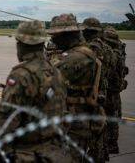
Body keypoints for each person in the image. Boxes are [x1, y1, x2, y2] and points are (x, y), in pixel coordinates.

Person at [0, 20, 71, 163]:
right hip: (53, 153)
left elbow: (5, 123)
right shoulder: (55, 71)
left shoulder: (21, 75)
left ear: (21, 44)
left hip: (27, 154)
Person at [47, 14, 105, 162]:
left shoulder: (76, 58)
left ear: (68, 35)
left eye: (55, 36)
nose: (52, 40)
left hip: (73, 126)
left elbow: (46, 83)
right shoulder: (81, 52)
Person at [81, 17, 113, 161]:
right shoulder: (107, 48)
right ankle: (102, 153)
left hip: (92, 93)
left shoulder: (90, 49)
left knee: (90, 132)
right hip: (104, 90)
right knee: (101, 126)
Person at [103, 26, 128, 154]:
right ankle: (113, 143)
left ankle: (111, 144)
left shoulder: (113, 54)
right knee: (114, 115)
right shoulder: (119, 51)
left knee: (110, 116)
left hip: (110, 89)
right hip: (115, 89)